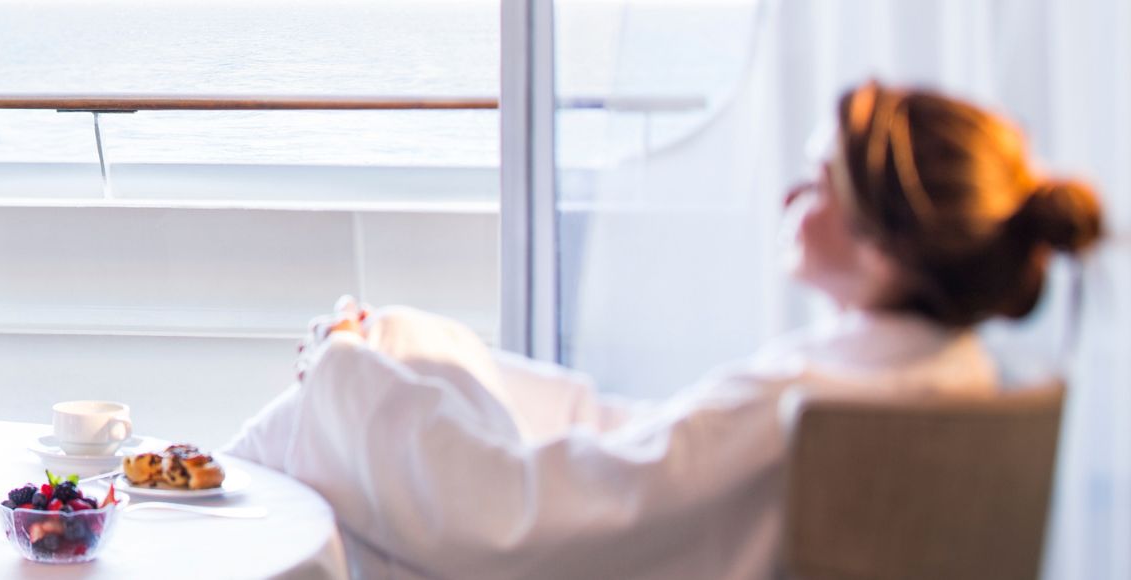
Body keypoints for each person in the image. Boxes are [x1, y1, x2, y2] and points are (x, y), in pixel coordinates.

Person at [221, 81, 1106, 579]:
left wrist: (350, 383)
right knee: (399, 361)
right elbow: (650, 446)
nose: (790, 199)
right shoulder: (940, 375)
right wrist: (420, 350)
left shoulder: (806, 402)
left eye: (817, 182)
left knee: (335, 432)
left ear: (884, 247)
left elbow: (530, 518)